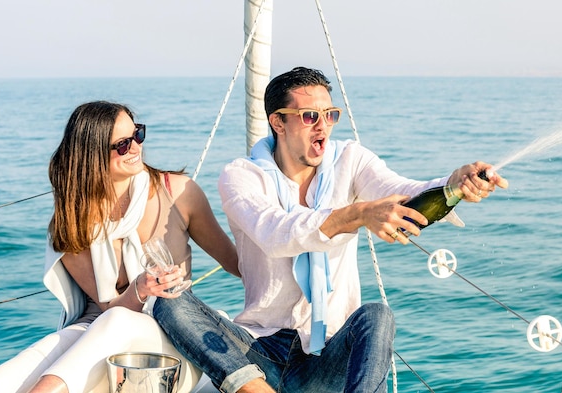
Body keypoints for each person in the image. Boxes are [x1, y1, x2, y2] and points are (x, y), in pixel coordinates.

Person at [154, 66, 509, 392]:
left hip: (330, 352)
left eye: (330, 115)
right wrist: (355, 214)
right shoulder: (241, 176)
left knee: (377, 316)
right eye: (310, 116)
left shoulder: (350, 160)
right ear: (278, 122)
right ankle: (251, 388)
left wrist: (452, 184)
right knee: (167, 302)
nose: (322, 126)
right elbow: (275, 233)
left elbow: (402, 193)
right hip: (259, 349)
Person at [0, 101, 239, 393]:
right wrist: (140, 290)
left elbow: (236, 263)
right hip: (99, 329)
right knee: (53, 346)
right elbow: (106, 307)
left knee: (114, 322)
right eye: (122, 144)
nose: (135, 148)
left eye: (138, 135)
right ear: (91, 154)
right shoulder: (73, 217)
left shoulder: (178, 192)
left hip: (174, 336)